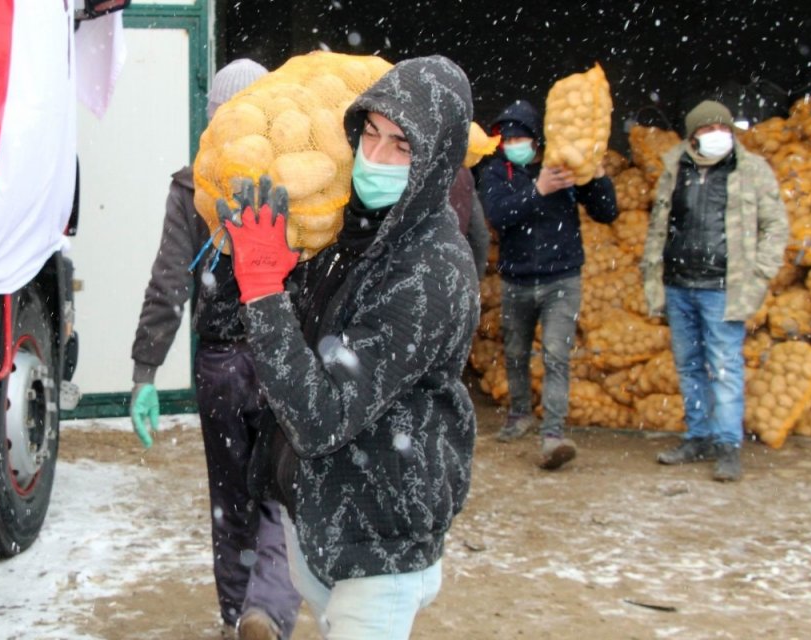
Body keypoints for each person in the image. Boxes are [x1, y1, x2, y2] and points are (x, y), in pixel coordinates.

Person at [218, 55, 478, 639]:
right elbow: (301, 353)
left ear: (434, 161)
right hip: (326, 518)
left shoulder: (430, 272)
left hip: (380, 539)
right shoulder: (356, 236)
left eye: (401, 147)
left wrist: (262, 290)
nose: (375, 158)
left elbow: (320, 416)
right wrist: (280, 281)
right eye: (371, 134)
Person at [128, 58, 301, 640]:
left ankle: (235, 617)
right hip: (283, 358)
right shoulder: (298, 179)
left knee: (230, 502)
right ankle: (269, 609)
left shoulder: (192, 185)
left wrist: (145, 371)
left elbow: (169, 280)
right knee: (281, 494)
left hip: (221, 363)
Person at [643, 100, 788, 482]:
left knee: (724, 368)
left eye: (721, 129)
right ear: (693, 136)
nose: (715, 136)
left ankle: (728, 446)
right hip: (678, 284)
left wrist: (760, 273)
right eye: (706, 130)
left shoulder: (751, 170)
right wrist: (653, 276)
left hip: (723, 287)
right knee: (689, 366)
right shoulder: (676, 168)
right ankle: (698, 437)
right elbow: (660, 225)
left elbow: (775, 226)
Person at [478, 99, 619, 470]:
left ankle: (553, 434)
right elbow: (497, 215)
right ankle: (520, 413)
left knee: (556, 354)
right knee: (515, 351)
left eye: (520, 137)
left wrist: (597, 176)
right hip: (516, 278)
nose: (513, 143)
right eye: (506, 139)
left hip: (562, 278)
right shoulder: (497, 173)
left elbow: (607, 212)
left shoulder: (562, 167)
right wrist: (536, 190)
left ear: (536, 140)